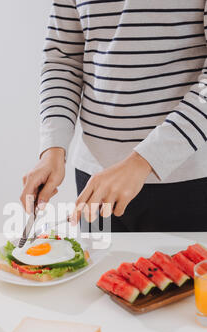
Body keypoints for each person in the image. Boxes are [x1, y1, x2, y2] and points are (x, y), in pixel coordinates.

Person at [21, 0, 207, 232]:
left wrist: (144, 160)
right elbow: (63, 61)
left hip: (188, 181)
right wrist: (53, 149)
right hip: (96, 182)